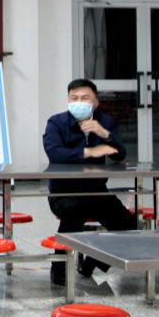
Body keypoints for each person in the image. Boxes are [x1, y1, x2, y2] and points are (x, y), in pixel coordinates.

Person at [42, 79, 135, 286]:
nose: (79, 102)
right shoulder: (56, 122)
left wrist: (104, 134)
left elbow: (120, 154)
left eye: (84, 98)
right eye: (74, 98)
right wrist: (89, 152)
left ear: (95, 102)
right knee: (74, 212)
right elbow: (55, 153)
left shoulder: (105, 121)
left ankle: (93, 261)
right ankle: (59, 268)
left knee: (128, 225)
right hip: (64, 192)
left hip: (96, 190)